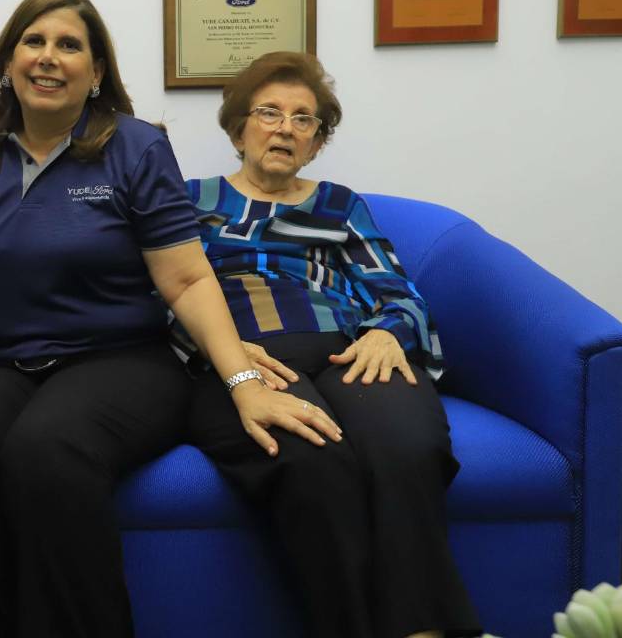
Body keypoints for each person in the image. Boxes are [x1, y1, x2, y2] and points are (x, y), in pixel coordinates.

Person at [0, 0, 338, 638]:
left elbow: (187, 277)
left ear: (95, 74)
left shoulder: (136, 148)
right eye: (33, 42)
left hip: (127, 363)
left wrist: (244, 383)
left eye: (69, 45)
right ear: (7, 63)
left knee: (47, 447)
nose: (48, 57)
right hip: (17, 365)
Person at [181, 51, 482, 638]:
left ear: (317, 143)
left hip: (347, 347)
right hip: (247, 356)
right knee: (316, 465)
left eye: (303, 120)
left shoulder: (339, 205)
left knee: (409, 447)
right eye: (269, 113)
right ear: (238, 127)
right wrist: (225, 350)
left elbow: (400, 292)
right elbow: (163, 292)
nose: (285, 128)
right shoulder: (190, 201)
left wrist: (386, 332)